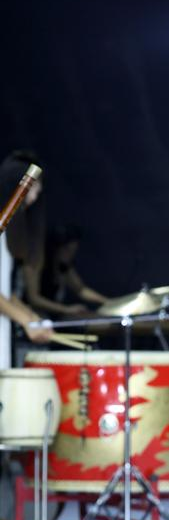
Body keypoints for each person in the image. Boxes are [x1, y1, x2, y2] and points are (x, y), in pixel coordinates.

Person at [0, 151, 52, 367]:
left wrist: (31, 317)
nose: (36, 195)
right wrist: (25, 321)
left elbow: (4, 294)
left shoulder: (7, 234)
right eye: (34, 187)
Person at [24, 223, 108, 317]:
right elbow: (34, 299)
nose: (70, 255)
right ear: (55, 248)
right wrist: (66, 309)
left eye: (73, 251)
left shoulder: (64, 266)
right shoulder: (37, 262)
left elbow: (81, 290)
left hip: (56, 315)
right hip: (35, 315)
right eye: (67, 250)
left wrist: (107, 302)